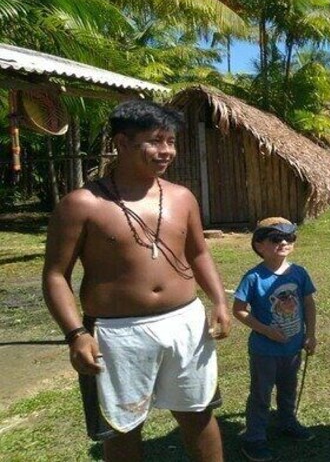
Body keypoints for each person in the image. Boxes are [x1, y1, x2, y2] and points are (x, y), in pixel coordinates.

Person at [41, 100, 231, 461]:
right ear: (122, 143)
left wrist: (219, 301)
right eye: (156, 141)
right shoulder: (82, 204)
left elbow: (199, 253)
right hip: (116, 334)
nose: (166, 152)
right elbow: (55, 275)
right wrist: (76, 334)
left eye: (171, 142)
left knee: (199, 414)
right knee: (122, 427)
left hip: (185, 323)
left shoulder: (181, 197)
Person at [232, 216, 317, 462]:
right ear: (260, 245)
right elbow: (239, 309)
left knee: (288, 388)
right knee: (261, 393)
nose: (283, 242)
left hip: (293, 348)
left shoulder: (299, 273)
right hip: (264, 350)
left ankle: (287, 422)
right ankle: (254, 438)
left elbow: (309, 303)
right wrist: (265, 330)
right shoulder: (254, 277)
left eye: (288, 237)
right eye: (275, 238)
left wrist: (310, 334)